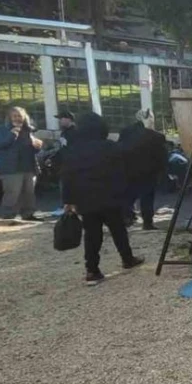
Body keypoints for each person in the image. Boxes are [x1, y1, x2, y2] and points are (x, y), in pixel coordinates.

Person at [58, 113, 144, 285]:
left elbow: (67, 177)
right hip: (110, 196)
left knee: (91, 235)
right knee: (118, 230)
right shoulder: (111, 147)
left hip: (85, 198)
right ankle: (127, 259)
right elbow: (124, 171)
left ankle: (92, 269)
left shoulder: (73, 150)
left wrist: (68, 201)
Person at [117, 108, 167, 231]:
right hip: (148, 173)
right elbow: (162, 157)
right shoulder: (157, 137)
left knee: (128, 197)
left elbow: (119, 150)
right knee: (147, 199)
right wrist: (162, 172)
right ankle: (147, 223)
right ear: (149, 119)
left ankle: (127, 218)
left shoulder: (126, 132)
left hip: (128, 171)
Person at [0, 106, 43, 220]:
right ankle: (9, 215)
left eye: (20, 116)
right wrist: (13, 134)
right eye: (14, 116)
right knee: (12, 193)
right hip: (11, 168)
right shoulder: (0, 129)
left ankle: (28, 214)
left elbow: (32, 149)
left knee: (29, 193)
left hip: (29, 166)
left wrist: (37, 146)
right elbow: (0, 144)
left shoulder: (28, 130)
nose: (17, 118)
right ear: (9, 117)